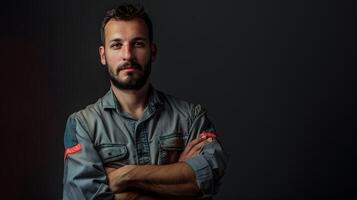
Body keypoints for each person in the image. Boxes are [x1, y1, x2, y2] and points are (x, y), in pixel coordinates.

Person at [62, 3, 228, 200]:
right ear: (103, 55)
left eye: (138, 43)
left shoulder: (192, 118)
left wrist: (126, 176)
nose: (128, 55)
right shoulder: (82, 125)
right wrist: (178, 176)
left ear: (153, 51)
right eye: (116, 45)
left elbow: (208, 178)